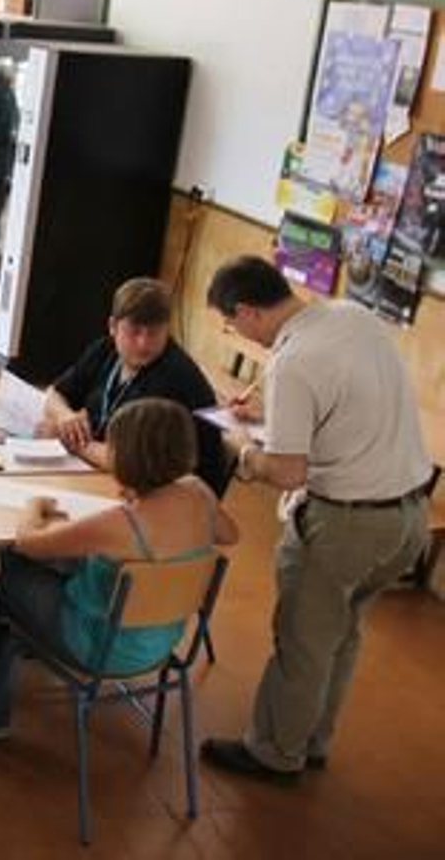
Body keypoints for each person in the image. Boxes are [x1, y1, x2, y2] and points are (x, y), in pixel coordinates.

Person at [199, 256, 433, 783]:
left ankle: (276, 753)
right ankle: (313, 740)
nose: (236, 332)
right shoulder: (353, 315)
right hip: (406, 518)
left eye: (231, 323)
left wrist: (241, 449)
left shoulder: (295, 361)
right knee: (342, 632)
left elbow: (286, 472)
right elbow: (346, 403)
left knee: (303, 640)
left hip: (345, 524)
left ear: (247, 311)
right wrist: (272, 413)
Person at [0, 398, 239, 739]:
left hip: (97, 645)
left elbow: (28, 541)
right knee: (72, 561)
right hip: (162, 641)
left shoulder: (124, 523)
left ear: (126, 457)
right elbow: (230, 535)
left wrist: (35, 506)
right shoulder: (199, 493)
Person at [38, 277, 228, 494]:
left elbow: (129, 462)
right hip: (117, 474)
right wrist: (65, 417)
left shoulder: (175, 377)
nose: (143, 343)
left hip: (175, 494)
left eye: (154, 333)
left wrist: (71, 441)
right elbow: (55, 393)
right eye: (134, 331)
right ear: (113, 326)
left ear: (167, 330)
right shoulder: (105, 350)